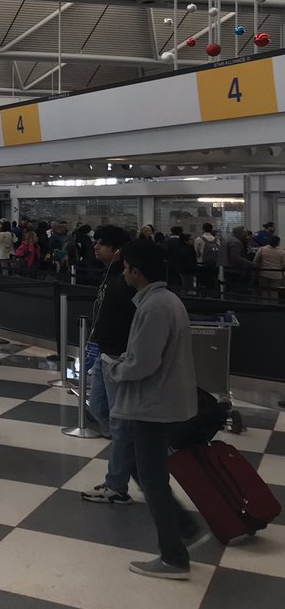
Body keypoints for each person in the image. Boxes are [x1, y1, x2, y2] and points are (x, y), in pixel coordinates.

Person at [104, 240, 206, 580]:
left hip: (153, 405)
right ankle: (184, 527)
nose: (122, 272)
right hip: (155, 402)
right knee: (138, 465)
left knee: (152, 478)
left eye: (125, 266)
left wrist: (116, 369)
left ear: (136, 269)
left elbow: (144, 362)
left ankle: (174, 558)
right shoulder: (162, 301)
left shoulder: (156, 307)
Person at [80, 226, 137, 497]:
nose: (95, 248)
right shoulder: (109, 275)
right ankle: (129, 459)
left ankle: (118, 482)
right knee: (100, 410)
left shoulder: (126, 280)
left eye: (101, 244)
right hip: (103, 352)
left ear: (116, 250)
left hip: (118, 355)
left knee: (118, 421)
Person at [221, 226, 253, 293]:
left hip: (226, 268)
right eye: (244, 233)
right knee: (236, 290)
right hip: (234, 270)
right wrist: (251, 264)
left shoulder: (226, 240)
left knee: (228, 288)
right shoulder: (236, 242)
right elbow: (236, 258)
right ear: (240, 233)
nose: (245, 235)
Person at [253, 235, 285, 300]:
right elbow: (283, 265)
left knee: (264, 292)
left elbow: (255, 261)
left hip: (263, 273)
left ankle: (265, 307)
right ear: (278, 243)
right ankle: (273, 307)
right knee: (274, 292)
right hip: (276, 275)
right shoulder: (282, 252)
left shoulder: (262, 249)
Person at [194, 223, 220, 291]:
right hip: (214, 265)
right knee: (213, 282)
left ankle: (203, 297)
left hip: (202, 264)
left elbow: (196, 253)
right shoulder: (216, 240)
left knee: (202, 283)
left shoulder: (199, 239)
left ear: (203, 229)